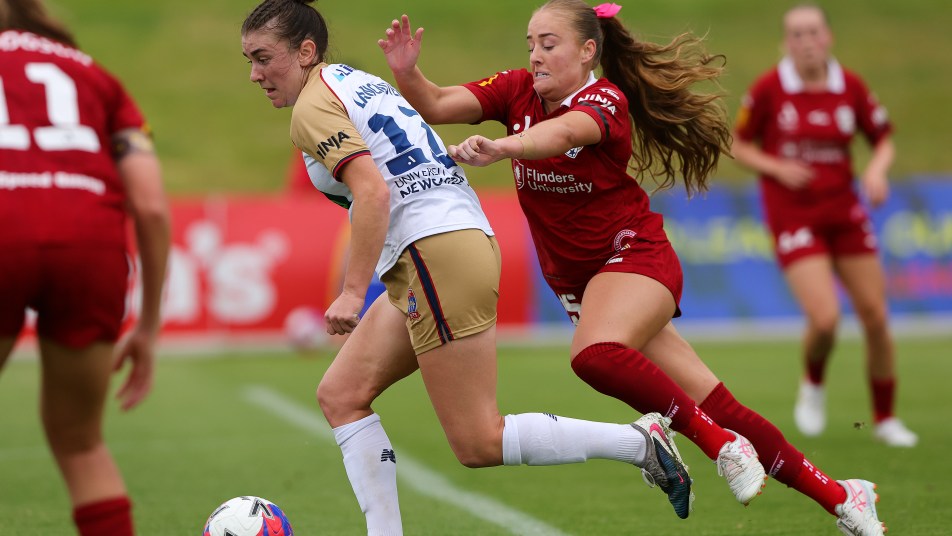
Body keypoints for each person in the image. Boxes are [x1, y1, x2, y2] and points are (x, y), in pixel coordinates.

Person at [379, 1, 886, 534]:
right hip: (587, 286)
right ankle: (842, 496)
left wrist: (504, 146)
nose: (535, 56)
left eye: (548, 44)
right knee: (717, 402)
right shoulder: (516, 90)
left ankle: (717, 445)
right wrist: (407, 71)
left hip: (635, 257)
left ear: (587, 50)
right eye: (531, 44)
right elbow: (435, 103)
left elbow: (564, 135)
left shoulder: (605, 100)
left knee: (594, 355)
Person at [240, 0, 697, 533]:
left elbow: (372, 192)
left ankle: (638, 443)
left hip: (434, 251)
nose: (255, 74)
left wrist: (351, 291)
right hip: (446, 243)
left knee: (478, 441)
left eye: (263, 58)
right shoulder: (351, 80)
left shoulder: (311, 108)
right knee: (341, 396)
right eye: (249, 60)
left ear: (305, 52)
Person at [0, 1, 171, 535]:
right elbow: (151, 206)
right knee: (81, 444)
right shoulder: (95, 75)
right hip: (90, 245)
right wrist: (148, 327)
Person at [731, 4, 917, 449]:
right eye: (796, 34)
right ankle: (813, 383)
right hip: (794, 215)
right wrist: (776, 166)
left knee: (876, 315)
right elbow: (738, 145)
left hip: (844, 212)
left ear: (828, 37)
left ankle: (886, 418)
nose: (806, 42)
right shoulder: (769, 89)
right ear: (785, 43)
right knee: (826, 318)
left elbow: (883, 139)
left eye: (813, 32)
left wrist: (876, 172)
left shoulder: (849, 86)